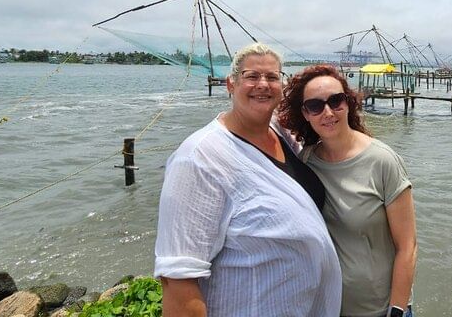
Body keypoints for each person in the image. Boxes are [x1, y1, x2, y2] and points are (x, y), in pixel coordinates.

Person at [154, 44, 341, 317]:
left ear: (282, 85)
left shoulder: (280, 132)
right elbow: (178, 279)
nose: (263, 84)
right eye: (251, 76)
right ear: (231, 83)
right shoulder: (199, 158)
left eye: (272, 77)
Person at [278, 64, 417, 317]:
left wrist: (397, 310)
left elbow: (407, 246)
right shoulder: (306, 162)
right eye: (315, 106)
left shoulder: (383, 161)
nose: (328, 112)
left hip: (380, 309)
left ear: (348, 103)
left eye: (336, 101)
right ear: (305, 113)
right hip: (325, 306)